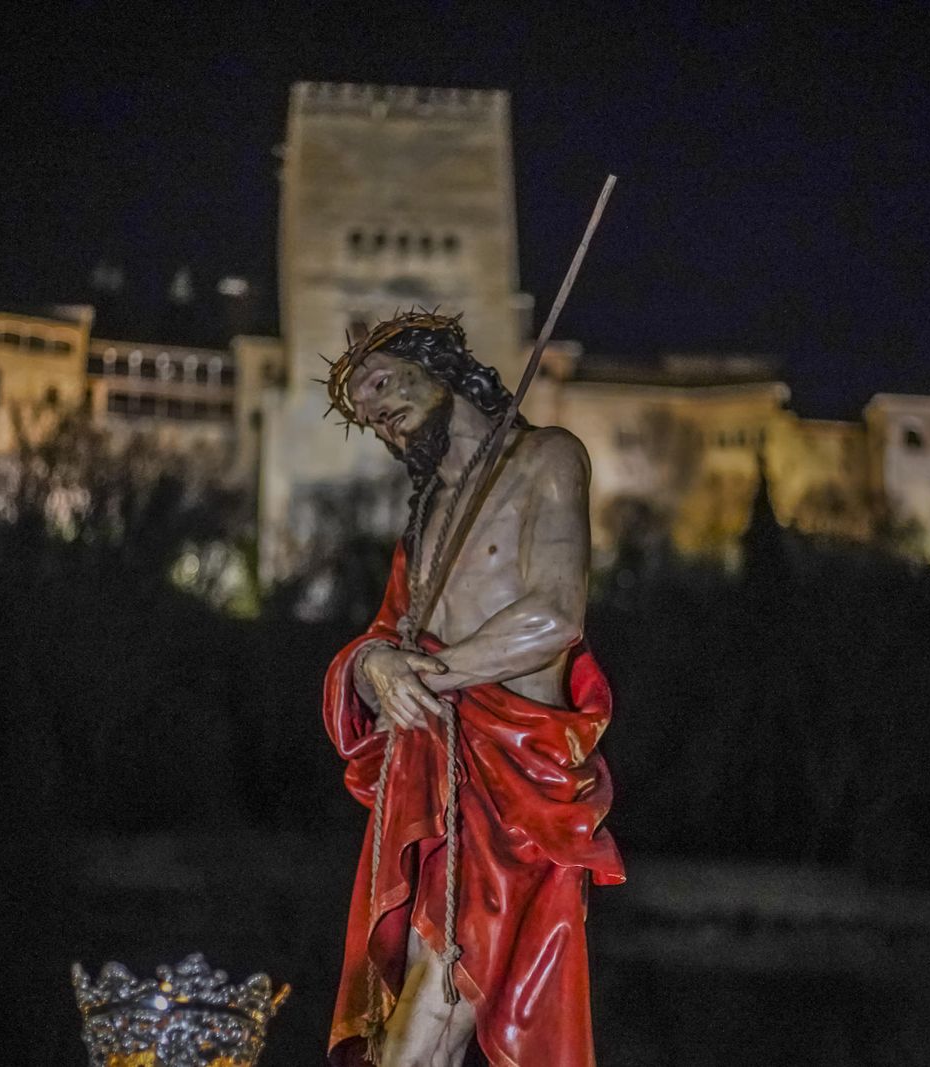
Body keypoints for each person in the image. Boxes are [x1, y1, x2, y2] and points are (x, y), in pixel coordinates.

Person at [319, 310, 624, 1067]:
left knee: (438, 998)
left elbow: (555, 614)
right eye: (366, 413)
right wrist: (372, 667)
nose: (378, 413)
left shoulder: (545, 457)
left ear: (442, 365)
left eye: (383, 384)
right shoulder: (424, 523)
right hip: (436, 774)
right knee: (421, 1012)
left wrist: (424, 673)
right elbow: (382, 641)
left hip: (516, 780)